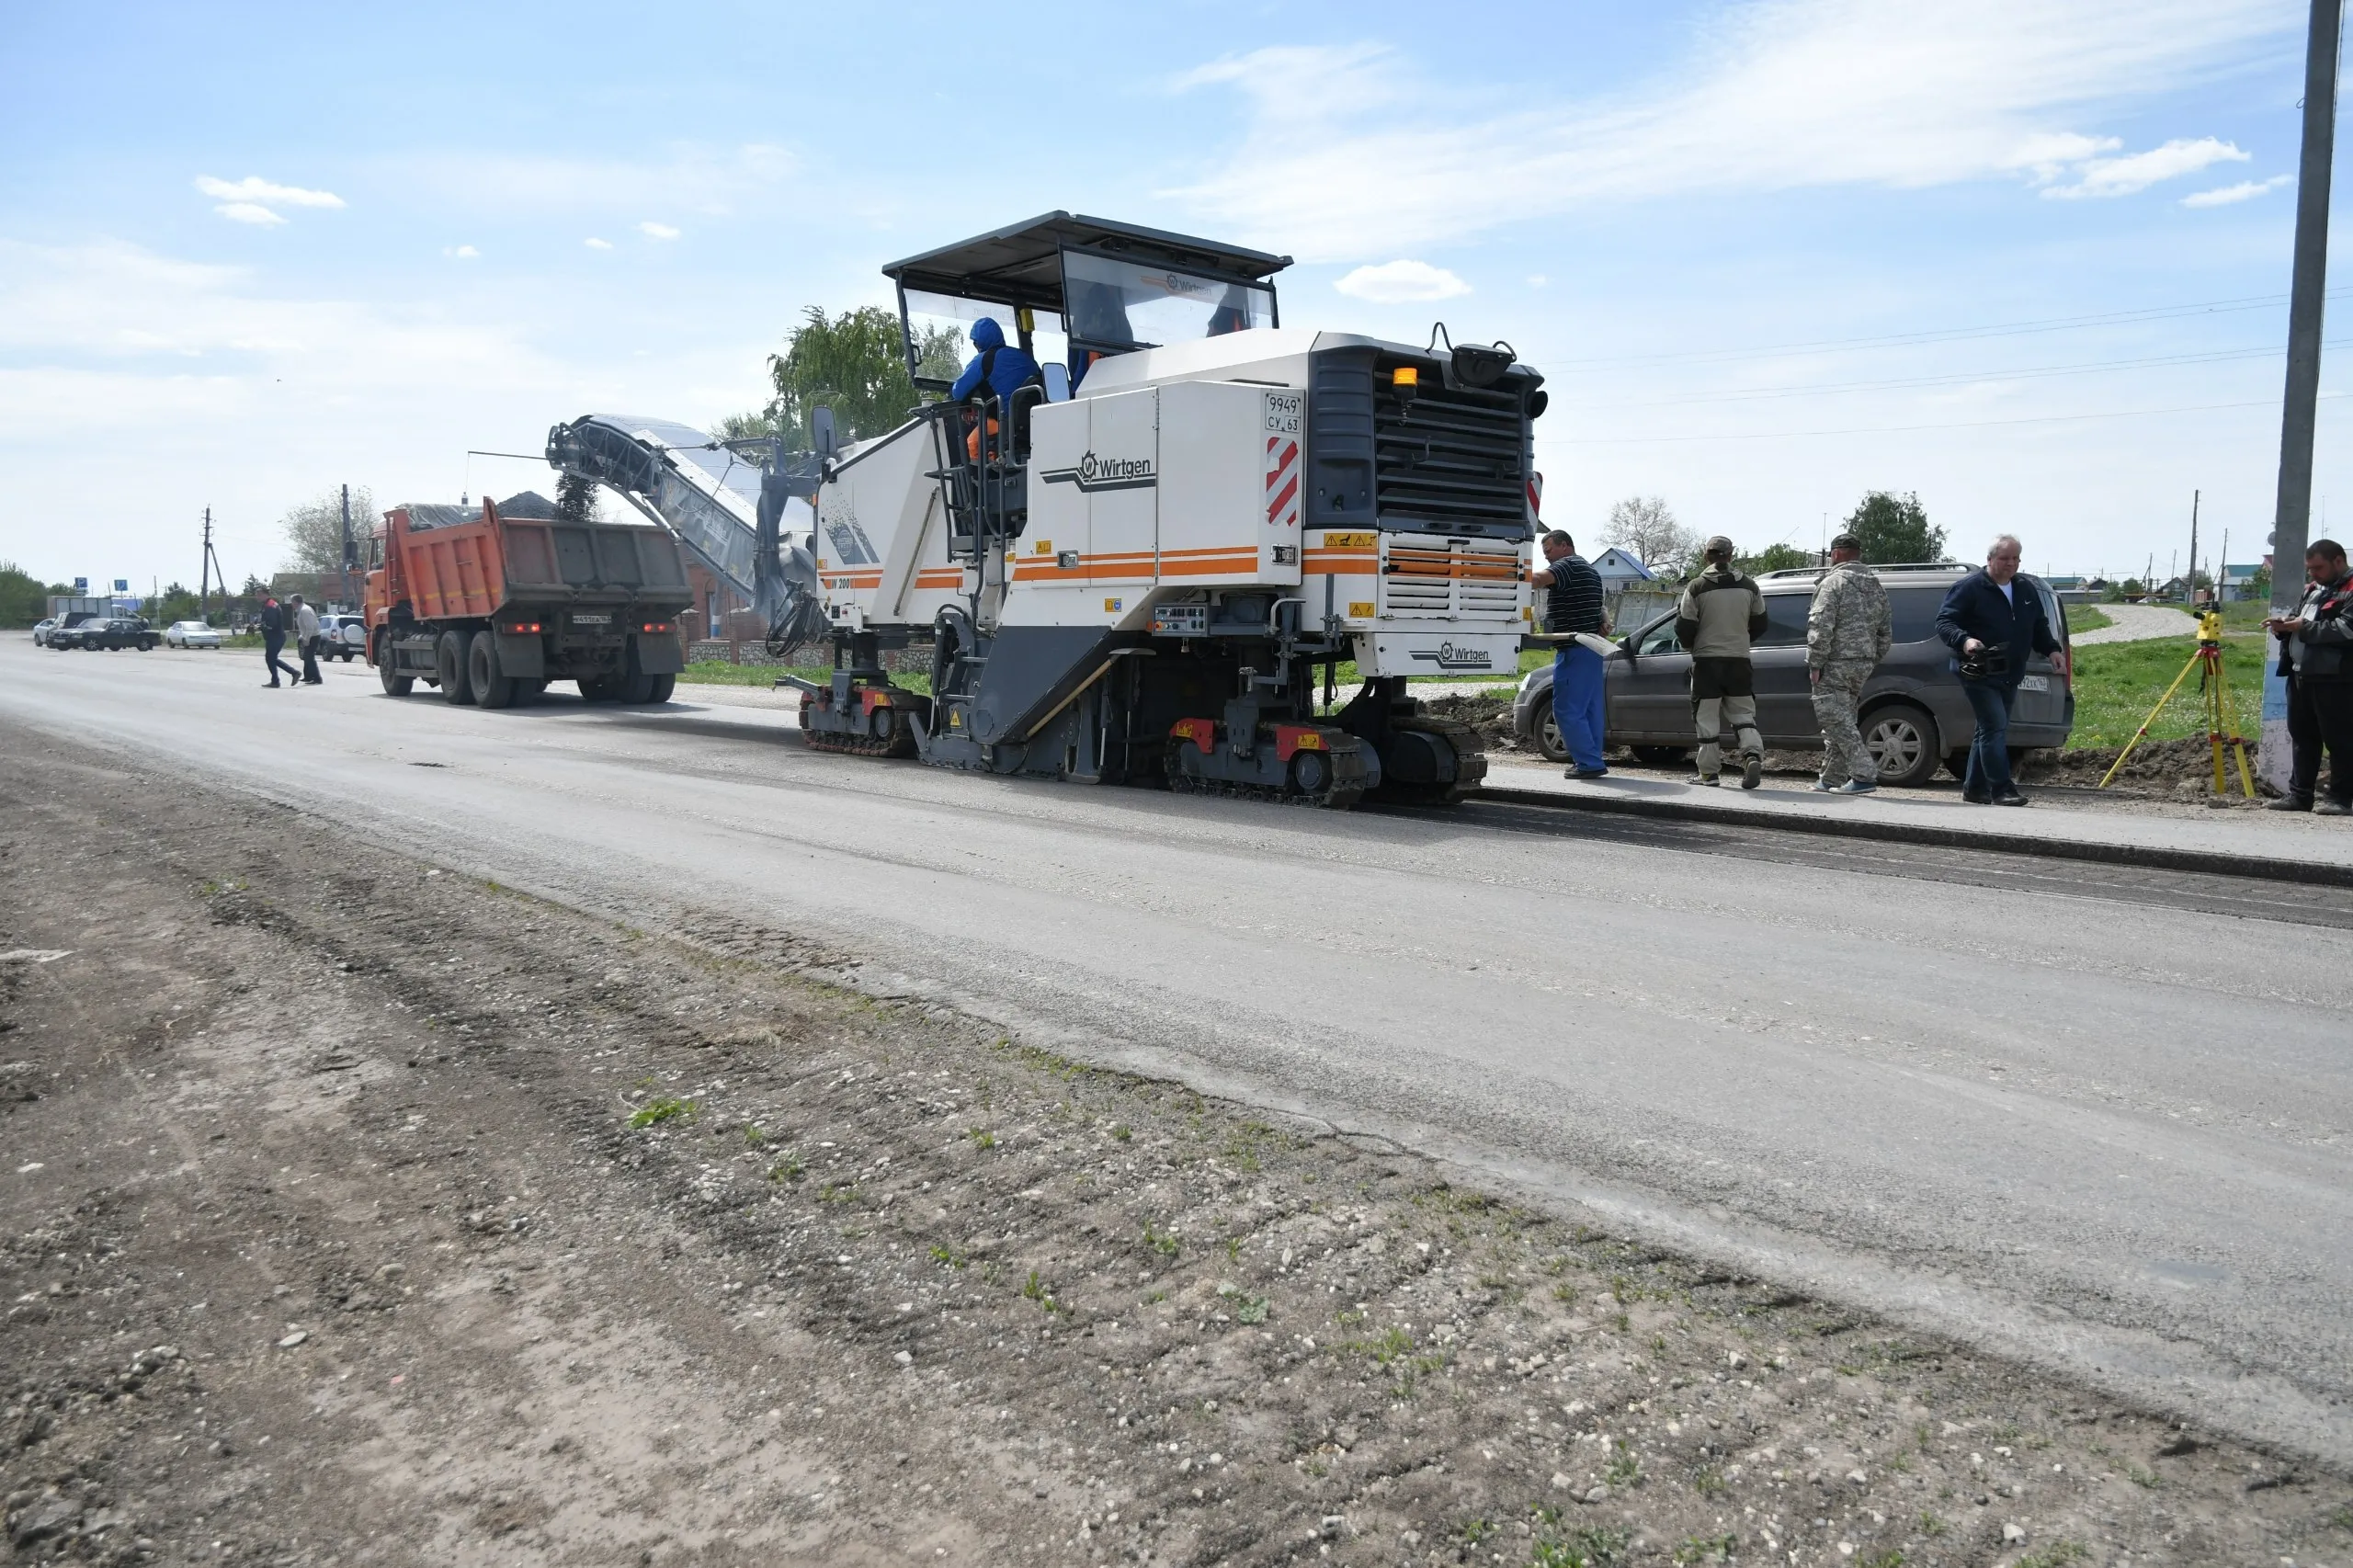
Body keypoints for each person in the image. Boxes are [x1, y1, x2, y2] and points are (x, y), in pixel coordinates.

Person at [1935, 533, 2062, 806]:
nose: (2011, 564)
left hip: (2011, 671)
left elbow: (2038, 625)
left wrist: (2052, 650)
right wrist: (1965, 640)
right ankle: (2002, 789)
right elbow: (1945, 622)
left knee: (1987, 729)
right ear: (1990, 559)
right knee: (1995, 726)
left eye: (2016, 558)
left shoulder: (2025, 589)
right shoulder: (1969, 588)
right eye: (2005, 558)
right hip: (1978, 669)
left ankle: (1974, 789)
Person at [2265, 538, 2353, 815]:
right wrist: (2283, 627)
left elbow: (2346, 629)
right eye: (2310, 569)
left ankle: (2340, 799)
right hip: (2300, 674)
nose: (2313, 574)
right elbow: (2298, 618)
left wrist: (2301, 627)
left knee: (2340, 740)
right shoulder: (2313, 589)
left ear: (2339, 561)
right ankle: (2299, 796)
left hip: (2336, 677)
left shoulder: (2351, 589)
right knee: (2303, 737)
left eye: (2318, 568)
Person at [1675, 535, 1768, 788]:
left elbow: (1684, 625)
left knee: (1706, 718)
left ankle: (1709, 773)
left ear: (1707, 556)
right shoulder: (1750, 586)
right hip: (1739, 661)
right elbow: (1761, 623)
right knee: (1743, 714)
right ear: (1731, 555)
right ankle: (1751, 755)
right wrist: (1741, 640)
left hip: (1706, 663)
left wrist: (1691, 646)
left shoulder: (1696, 587)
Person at [1805, 532, 1893, 792]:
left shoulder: (1833, 583)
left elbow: (1820, 625)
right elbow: (1886, 632)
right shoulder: (1876, 586)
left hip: (1835, 663)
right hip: (1862, 663)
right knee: (1842, 718)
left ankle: (1864, 774)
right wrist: (1870, 658)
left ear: (1834, 554)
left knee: (1834, 719)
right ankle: (1831, 778)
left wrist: (1815, 662)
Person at [1528, 530, 1608, 778]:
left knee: (1566, 709)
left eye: (1549, 551)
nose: (1548, 558)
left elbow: (1539, 579)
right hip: (1592, 648)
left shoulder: (1568, 565)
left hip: (1574, 647)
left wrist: (1512, 577)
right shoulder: (1591, 571)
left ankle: (1587, 763)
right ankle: (1592, 759)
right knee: (1590, 710)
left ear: (1565, 546)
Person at [949, 317, 1040, 460]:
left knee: (972, 443)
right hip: (1036, 421)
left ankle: (981, 481)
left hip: (1007, 423)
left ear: (979, 343)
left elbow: (958, 392)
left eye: (975, 343)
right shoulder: (1025, 357)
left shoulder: (984, 359)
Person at [258, 597, 300, 687]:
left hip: (275, 637)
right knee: (271, 659)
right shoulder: (269, 604)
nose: (257, 596)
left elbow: (272, 623)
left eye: (259, 594)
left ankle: (291, 674)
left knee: (270, 658)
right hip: (275, 636)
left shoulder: (270, 606)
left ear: (265, 594)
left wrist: (263, 627)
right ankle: (277, 680)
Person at [291, 595, 324, 685]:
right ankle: (308, 676)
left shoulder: (305, 610)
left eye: (292, 602)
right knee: (306, 657)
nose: (292, 604)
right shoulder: (302, 610)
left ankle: (317, 678)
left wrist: (307, 639)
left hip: (312, 636)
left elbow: (310, 627)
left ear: (296, 602)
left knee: (309, 657)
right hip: (309, 635)